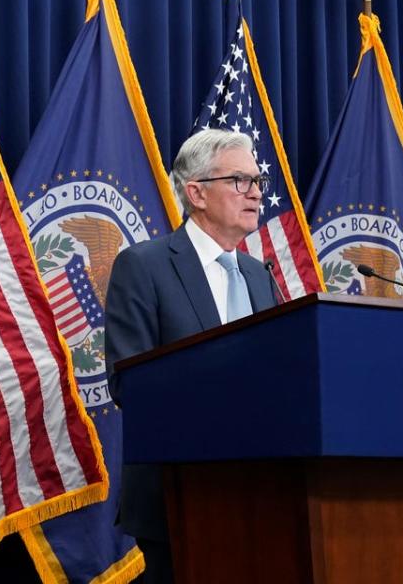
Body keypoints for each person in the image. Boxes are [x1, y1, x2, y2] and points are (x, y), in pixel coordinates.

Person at [104, 128, 279, 583]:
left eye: (258, 181)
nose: (256, 192)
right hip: (179, 496)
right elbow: (130, 383)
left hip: (265, 494)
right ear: (196, 193)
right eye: (240, 180)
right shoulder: (144, 266)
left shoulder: (260, 277)